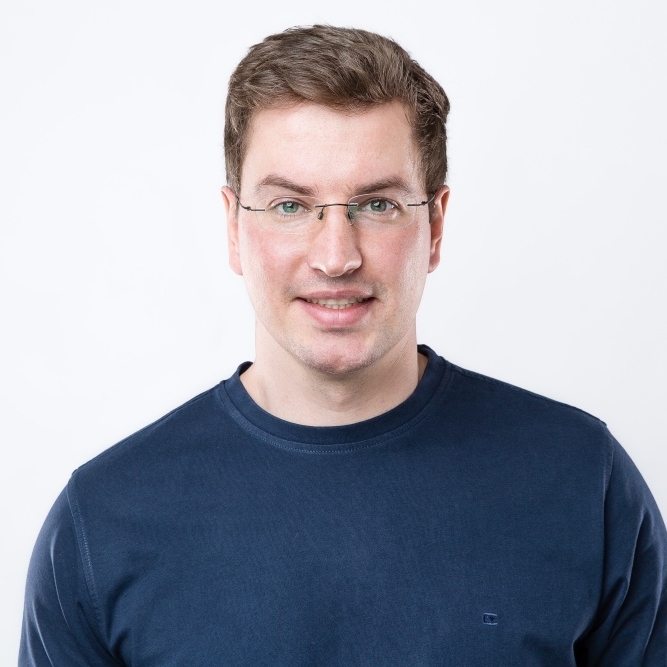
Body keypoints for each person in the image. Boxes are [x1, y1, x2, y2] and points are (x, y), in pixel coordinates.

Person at [20, 25, 666, 666]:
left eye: (377, 205)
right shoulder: (103, 520)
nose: (335, 257)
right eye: (289, 206)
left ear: (435, 225)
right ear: (233, 226)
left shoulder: (582, 479)